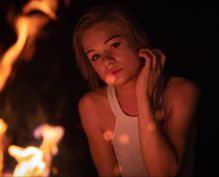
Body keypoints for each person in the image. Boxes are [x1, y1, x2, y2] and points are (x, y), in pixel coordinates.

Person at [73, 4, 200, 177]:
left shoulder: (182, 92)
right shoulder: (92, 106)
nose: (107, 61)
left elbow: (163, 173)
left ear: (137, 40)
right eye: (95, 56)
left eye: (115, 44)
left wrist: (143, 97)